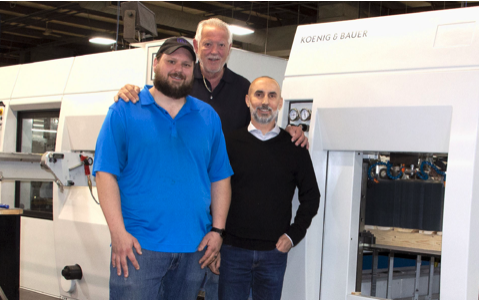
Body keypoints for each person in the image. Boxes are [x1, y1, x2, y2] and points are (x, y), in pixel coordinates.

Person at [93, 37, 233, 300]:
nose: (178, 69)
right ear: (156, 63)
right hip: (138, 249)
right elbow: (105, 173)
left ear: (194, 70)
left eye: (186, 64)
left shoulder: (208, 116)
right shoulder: (124, 110)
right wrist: (118, 233)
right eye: (171, 61)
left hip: (194, 249)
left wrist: (217, 231)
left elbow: (220, 178)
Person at [114, 18, 307, 147]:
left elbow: (262, 127)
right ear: (196, 46)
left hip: (229, 183)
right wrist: (132, 92)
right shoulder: (179, 85)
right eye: (207, 44)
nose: (214, 51)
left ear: (229, 49)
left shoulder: (243, 89)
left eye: (221, 45)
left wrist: (287, 132)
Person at [216, 77, 320, 300]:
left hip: (274, 254)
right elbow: (213, 192)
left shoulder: (295, 146)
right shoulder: (228, 143)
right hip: (232, 251)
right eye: (259, 94)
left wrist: (294, 235)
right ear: (247, 100)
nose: (265, 101)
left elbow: (312, 196)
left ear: (280, 103)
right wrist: (216, 239)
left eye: (272, 96)